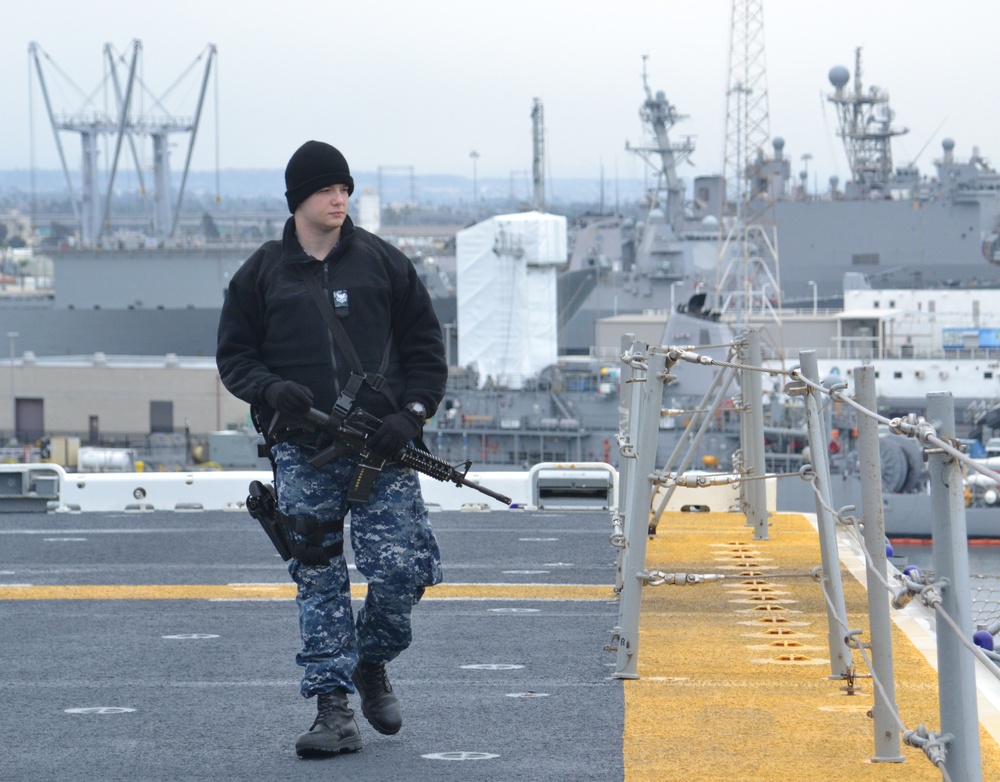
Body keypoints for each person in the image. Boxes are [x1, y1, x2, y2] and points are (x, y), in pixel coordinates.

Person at [216, 140, 448, 758]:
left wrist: (413, 414)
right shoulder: (261, 274)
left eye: (344, 188)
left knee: (401, 572)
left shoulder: (384, 264)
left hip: (385, 449)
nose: (339, 198)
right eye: (326, 189)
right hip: (301, 449)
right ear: (299, 199)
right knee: (317, 574)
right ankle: (333, 709)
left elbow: (427, 349)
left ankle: (371, 661)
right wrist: (270, 389)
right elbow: (234, 357)